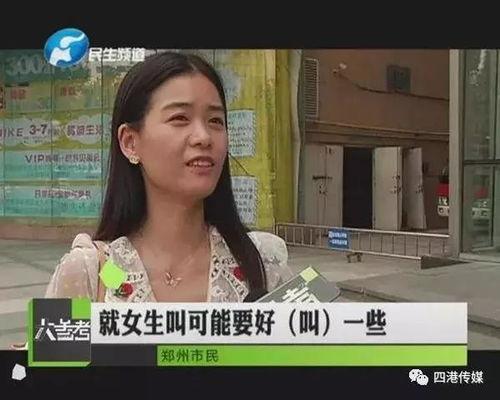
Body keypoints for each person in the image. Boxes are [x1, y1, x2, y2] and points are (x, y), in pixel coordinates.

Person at [44, 51, 292, 303]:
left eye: (216, 120)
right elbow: (59, 331)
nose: (204, 137)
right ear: (130, 142)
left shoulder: (262, 262)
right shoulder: (96, 272)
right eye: (180, 118)